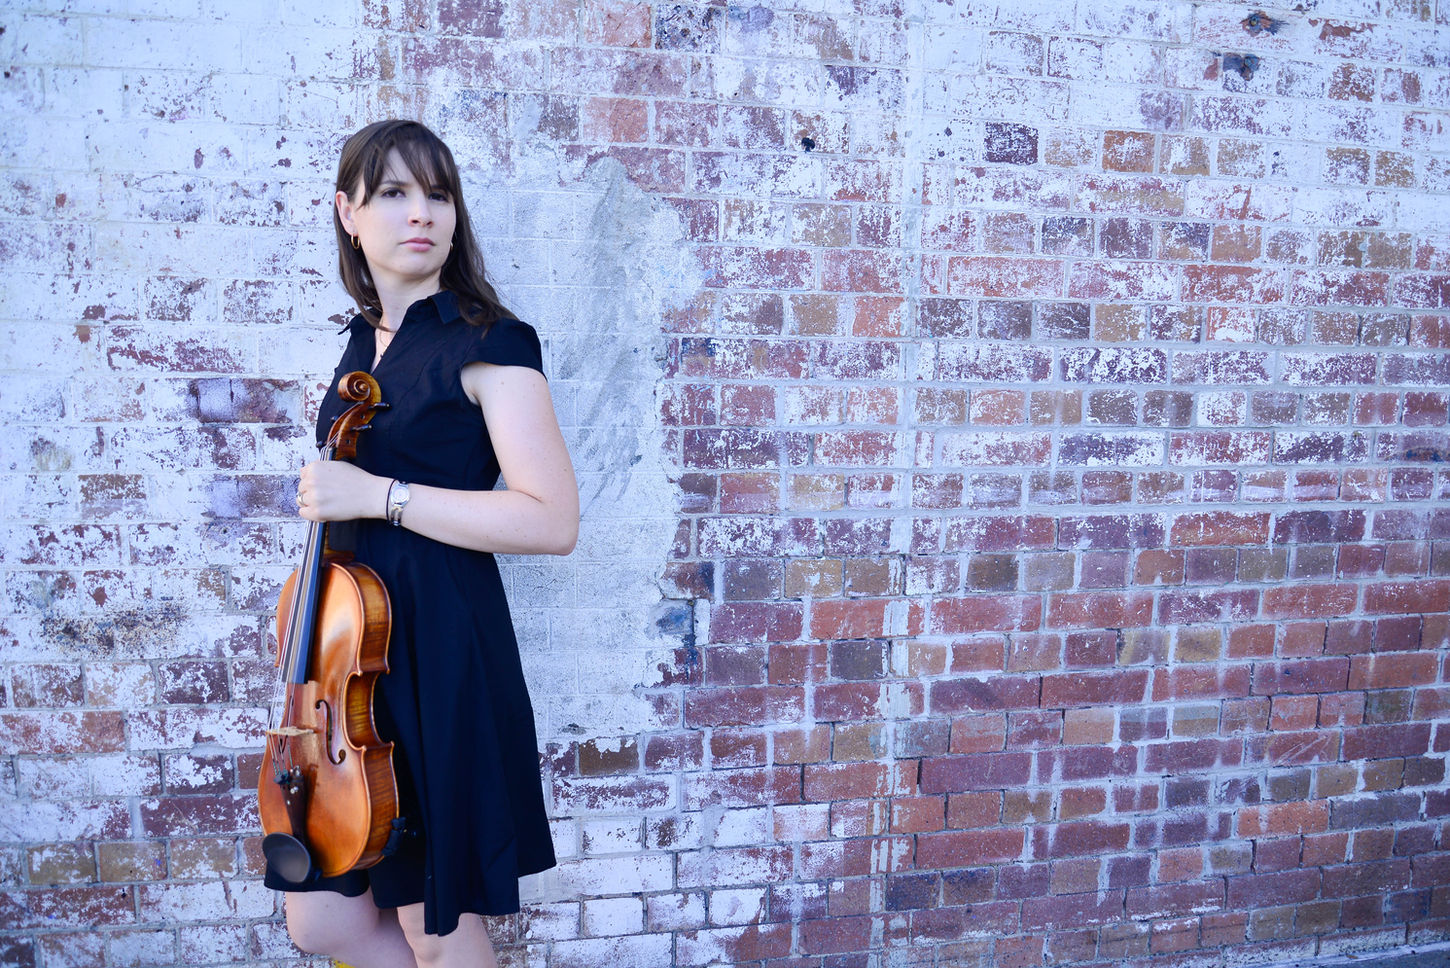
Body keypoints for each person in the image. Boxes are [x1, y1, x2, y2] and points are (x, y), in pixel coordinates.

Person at [266, 119, 578, 968]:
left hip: (438, 659)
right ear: (347, 212)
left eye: (437, 194)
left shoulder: (491, 341)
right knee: (322, 922)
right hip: (353, 670)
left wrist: (382, 496)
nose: (422, 213)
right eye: (395, 193)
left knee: (431, 929)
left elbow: (551, 519)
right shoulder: (360, 345)